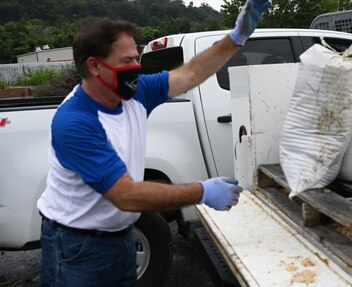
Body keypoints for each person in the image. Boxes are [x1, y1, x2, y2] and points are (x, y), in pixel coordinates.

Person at [37, 0, 271, 285]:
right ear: (95, 66)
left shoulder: (134, 94)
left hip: (120, 236)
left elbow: (191, 73)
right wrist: (201, 192)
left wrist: (236, 37)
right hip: (79, 247)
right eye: (127, 62)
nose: (136, 68)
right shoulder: (76, 122)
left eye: (137, 58)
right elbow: (126, 195)